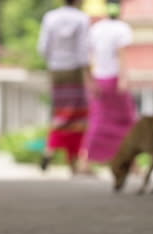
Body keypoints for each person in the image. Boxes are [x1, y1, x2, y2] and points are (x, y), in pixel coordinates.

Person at [78, 2, 137, 173]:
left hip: (98, 79)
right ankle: (131, 163)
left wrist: (89, 80)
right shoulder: (122, 28)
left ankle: (85, 162)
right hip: (114, 79)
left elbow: (87, 58)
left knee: (97, 120)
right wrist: (124, 78)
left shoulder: (95, 29)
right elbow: (121, 55)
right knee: (127, 120)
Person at [37, 0, 93, 175]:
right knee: (77, 116)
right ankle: (69, 159)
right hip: (75, 70)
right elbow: (84, 49)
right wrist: (89, 75)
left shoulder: (50, 17)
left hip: (56, 69)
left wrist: (53, 62)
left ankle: (53, 151)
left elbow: (43, 47)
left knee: (61, 113)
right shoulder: (82, 18)